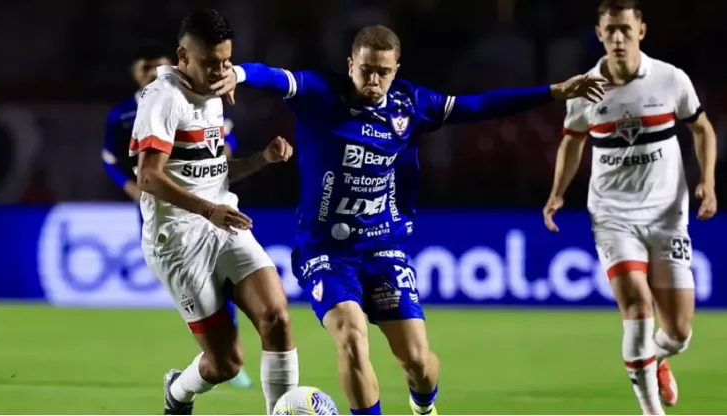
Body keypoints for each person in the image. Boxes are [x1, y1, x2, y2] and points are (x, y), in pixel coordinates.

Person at [213, 24, 605, 415]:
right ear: (351, 64)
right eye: (366, 69)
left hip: (382, 248)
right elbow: (272, 76)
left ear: (396, 69)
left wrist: (554, 91)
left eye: (383, 71)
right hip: (324, 252)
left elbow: (480, 105)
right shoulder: (320, 93)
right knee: (350, 335)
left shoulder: (410, 104)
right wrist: (239, 73)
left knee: (417, 362)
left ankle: (424, 408)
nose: (374, 79)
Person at [542, 0, 718, 414]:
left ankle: (657, 359)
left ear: (641, 30)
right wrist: (557, 192)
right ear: (599, 33)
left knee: (677, 333)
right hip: (613, 216)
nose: (617, 37)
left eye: (625, 28)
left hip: (667, 217)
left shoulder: (670, 79)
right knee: (637, 307)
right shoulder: (585, 88)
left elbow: (703, 128)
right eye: (609, 30)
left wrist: (707, 182)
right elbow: (572, 141)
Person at [130, 9, 299, 415]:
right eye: (210, 63)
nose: (220, 71)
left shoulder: (216, 93)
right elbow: (149, 179)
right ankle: (177, 391)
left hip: (222, 223)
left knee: (277, 319)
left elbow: (213, 169)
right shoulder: (163, 100)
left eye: (226, 61)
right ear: (182, 57)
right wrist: (208, 210)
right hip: (178, 242)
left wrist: (261, 159)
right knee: (226, 363)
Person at [101, 40, 254, 389]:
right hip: (161, 208)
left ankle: (226, 352)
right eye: (144, 68)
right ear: (134, 73)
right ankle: (220, 354)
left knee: (224, 277)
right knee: (199, 280)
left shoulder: (196, 98)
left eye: (157, 66)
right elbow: (111, 160)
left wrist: (223, 156)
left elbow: (225, 136)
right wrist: (130, 186)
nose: (151, 73)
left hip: (203, 198)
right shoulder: (124, 114)